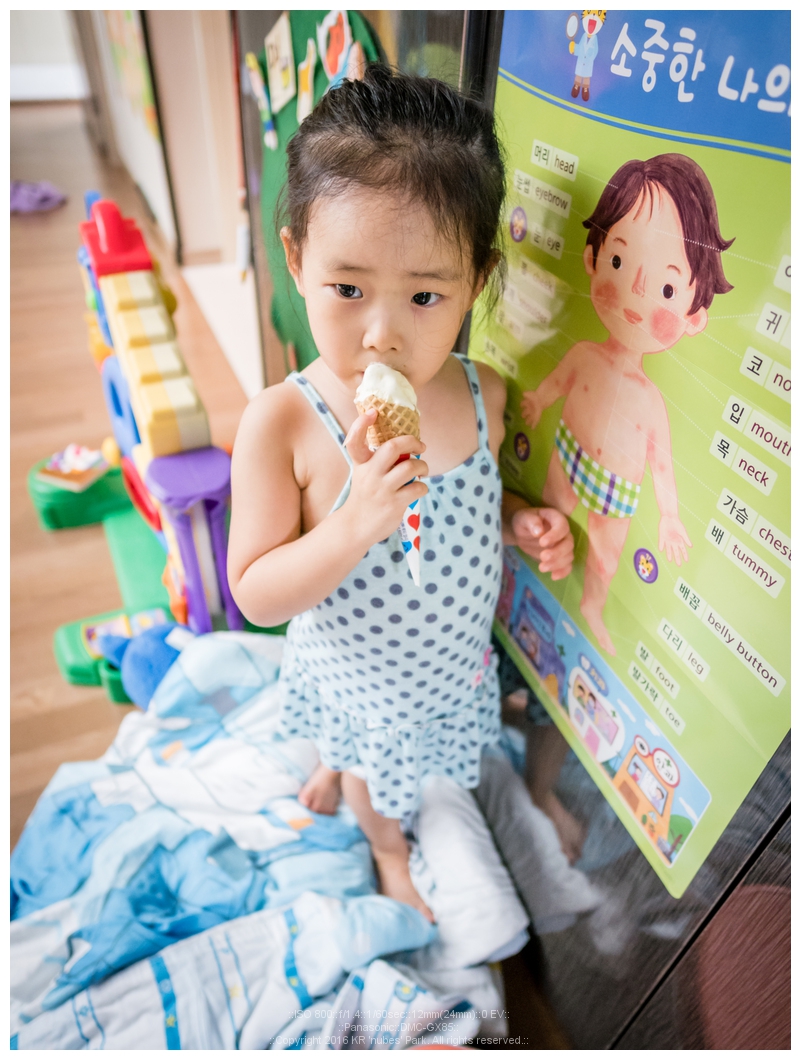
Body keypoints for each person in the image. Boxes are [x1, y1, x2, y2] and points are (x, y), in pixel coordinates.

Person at [228, 65, 574, 920]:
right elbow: (257, 594)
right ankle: (386, 851)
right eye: (347, 289)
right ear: (296, 259)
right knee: (372, 783)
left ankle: (343, 768)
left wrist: (519, 521)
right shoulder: (283, 424)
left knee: (414, 756)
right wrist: (354, 523)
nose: (381, 334)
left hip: (449, 667)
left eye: (424, 295)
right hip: (361, 680)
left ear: (476, 282)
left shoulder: (480, 391)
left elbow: (471, 503)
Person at [521, 154, 734, 656]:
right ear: (592, 259)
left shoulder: (652, 401)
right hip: (569, 452)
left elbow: (661, 463)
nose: (635, 295)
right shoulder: (585, 354)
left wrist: (670, 516)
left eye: (666, 288)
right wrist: (537, 399)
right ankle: (542, 558)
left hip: (618, 487)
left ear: (693, 316)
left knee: (605, 557)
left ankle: (593, 604)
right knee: (551, 513)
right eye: (618, 262)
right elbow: (559, 381)